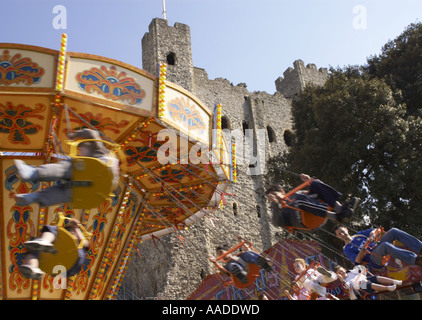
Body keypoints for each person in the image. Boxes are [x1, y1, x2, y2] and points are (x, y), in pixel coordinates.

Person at [14, 128, 120, 207]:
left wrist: (74, 135)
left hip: (97, 171)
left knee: (66, 167)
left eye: (81, 149)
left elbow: (92, 133)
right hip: (91, 191)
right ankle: (32, 198)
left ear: (87, 146)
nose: (80, 153)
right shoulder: (103, 159)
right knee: (64, 192)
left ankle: (32, 173)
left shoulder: (99, 150)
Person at [265, 174, 359, 233]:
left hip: (315, 212)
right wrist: (276, 203)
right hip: (303, 221)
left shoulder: (296, 194)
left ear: (282, 191)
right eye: (271, 197)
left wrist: (309, 181)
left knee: (315, 184)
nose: (273, 197)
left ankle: (341, 210)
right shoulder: (276, 209)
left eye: (274, 194)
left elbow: (312, 194)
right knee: (299, 199)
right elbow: (276, 223)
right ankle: (335, 217)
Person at [20, 218, 89, 280]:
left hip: (73, 262)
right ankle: (33, 268)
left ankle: (44, 240)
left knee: (54, 229)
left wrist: (76, 228)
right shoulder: (61, 241)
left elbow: (86, 244)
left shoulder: (81, 242)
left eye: (73, 232)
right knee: (32, 251)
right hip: (59, 265)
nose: (72, 233)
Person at [334, 225, 422, 272]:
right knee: (385, 246)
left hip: (377, 245)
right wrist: (363, 249)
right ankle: (416, 260)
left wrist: (372, 234)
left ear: (346, 229)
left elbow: (375, 230)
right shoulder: (347, 249)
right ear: (338, 237)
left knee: (393, 231)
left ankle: (420, 248)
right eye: (339, 234)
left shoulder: (359, 234)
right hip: (373, 258)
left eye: (342, 231)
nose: (342, 234)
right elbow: (356, 261)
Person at [335, 265, 402, 300]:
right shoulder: (344, 280)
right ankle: (388, 288)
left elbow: (361, 270)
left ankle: (394, 281)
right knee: (368, 284)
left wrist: (362, 270)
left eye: (341, 271)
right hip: (359, 288)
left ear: (344, 269)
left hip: (364, 280)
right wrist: (341, 279)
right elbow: (347, 286)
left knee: (375, 277)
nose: (341, 273)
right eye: (339, 273)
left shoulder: (352, 272)